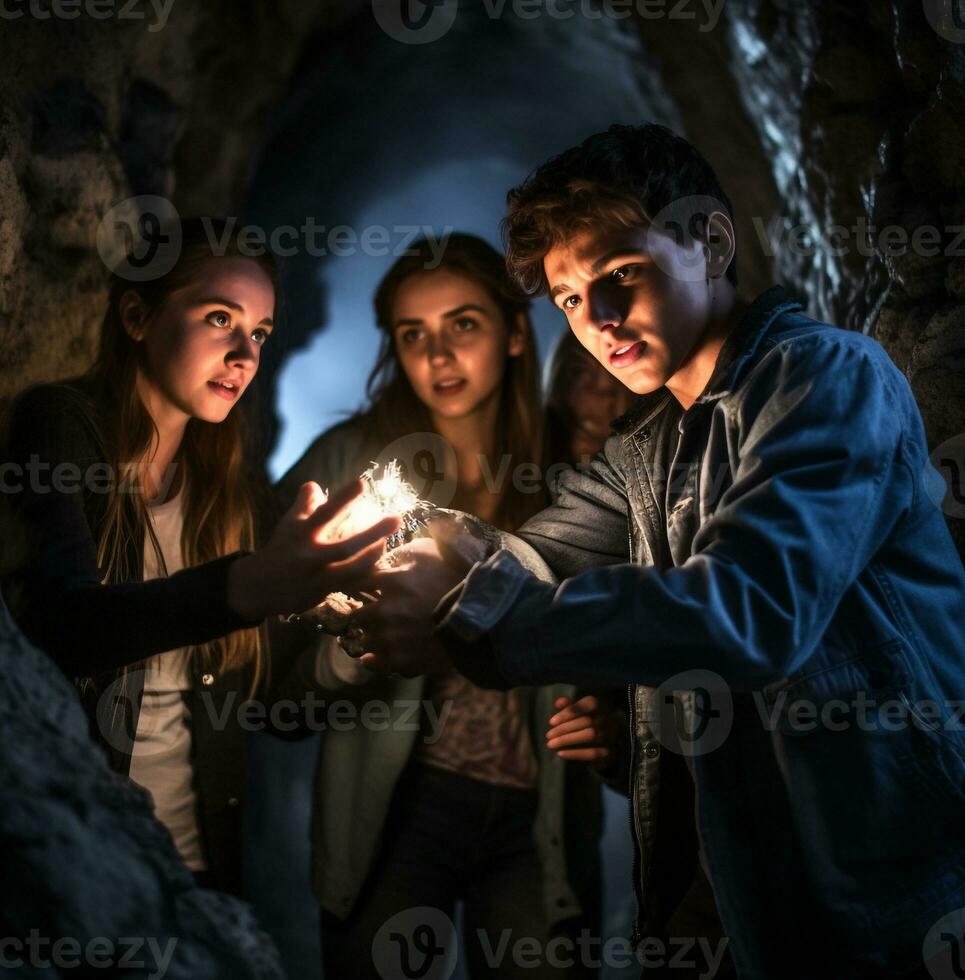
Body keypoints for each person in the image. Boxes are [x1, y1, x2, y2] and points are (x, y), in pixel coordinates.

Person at [350, 124, 965, 978]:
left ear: (711, 241)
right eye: (567, 298)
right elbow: (538, 554)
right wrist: (415, 546)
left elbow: (750, 613)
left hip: (891, 889)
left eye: (620, 276)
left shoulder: (824, 379)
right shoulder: (649, 450)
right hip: (738, 882)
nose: (595, 321)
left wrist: (474, 614)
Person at [0, 218, 399, 896]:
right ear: (137, 316)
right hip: (80, 848)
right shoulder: (62, 429)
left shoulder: (231, 498)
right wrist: (245, 587)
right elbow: (64, 628)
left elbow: (277, 708)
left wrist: (360, 650)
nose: (245, 353)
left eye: (261, 334)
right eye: (221, 318)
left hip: (196, 861)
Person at [274, 233, 622, 979]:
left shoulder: (576, 472)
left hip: (538, 822)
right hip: (395, 817)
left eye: (463, 324)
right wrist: (347, 653)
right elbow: (268, 677)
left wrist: (616, 712)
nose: (437, 356)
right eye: (412, 335)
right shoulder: (348, 466)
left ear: (516, 331)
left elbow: (634, 616)